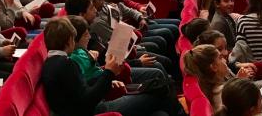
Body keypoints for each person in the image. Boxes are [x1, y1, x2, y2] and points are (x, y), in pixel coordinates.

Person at [40, 17, 174, 116]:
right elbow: (88, 100)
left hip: (93, 106)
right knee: (158, 94)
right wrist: (109, 73)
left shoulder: (51, 63)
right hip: (98, 110)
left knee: (160, 113)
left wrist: (107, 79)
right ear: (70, 40)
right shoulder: (65, 64)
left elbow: (80, 88)